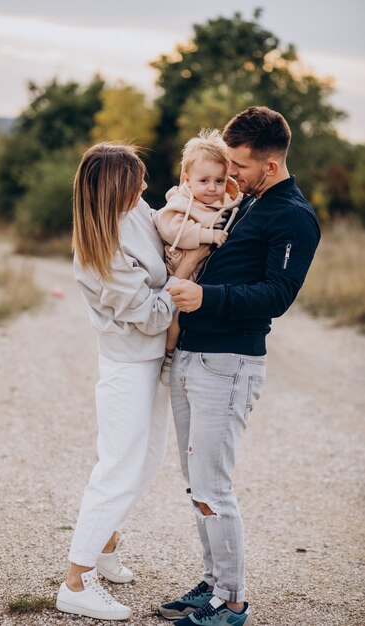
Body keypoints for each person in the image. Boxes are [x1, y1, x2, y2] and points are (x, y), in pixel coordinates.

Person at [158, 106, 321, 626]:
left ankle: (231, 602)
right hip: (192, 355)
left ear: (269, 166)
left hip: (228, 364)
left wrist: (205, 297)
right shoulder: (245, 201)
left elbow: (277, 295)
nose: (229, 175)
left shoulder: (292, 215)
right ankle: (211, 584)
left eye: (240, 167)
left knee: (213, 486)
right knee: (195, 482)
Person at [55, 143, 209, 621]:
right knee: (118, 467)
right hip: (127, 365)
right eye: (137, 180)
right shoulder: (102, 249)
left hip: (152, 362)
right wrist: (187, 268)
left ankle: (105, 544)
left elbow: (168, 242)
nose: (146, 186)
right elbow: (148, 315)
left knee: (145, 461)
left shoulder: (137, 210)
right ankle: (75, 582)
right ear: (116, 188)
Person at [153, 129, 242, 385]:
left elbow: (235, 206)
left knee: (195, 315)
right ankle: (168, 357)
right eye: (204, 181)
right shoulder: (181, 201)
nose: (212, 188)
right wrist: (207, 235)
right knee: (175, 318)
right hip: (179, 267)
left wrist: (234, 192)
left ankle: (187, 357)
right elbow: (171, 229)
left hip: (204, 274)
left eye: (219, 180)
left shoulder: (226, 201)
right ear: (187, 180)